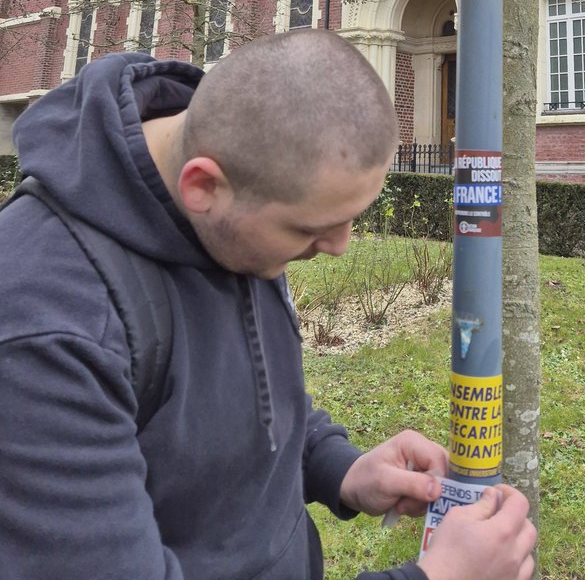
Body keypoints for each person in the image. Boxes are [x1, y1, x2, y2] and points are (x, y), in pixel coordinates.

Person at [0, 30, 536, 580]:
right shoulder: (46, 329)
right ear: (203, 186)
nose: (338, 246)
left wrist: (339, 467)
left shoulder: (238, 208)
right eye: (312, 227)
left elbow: (249, 398)